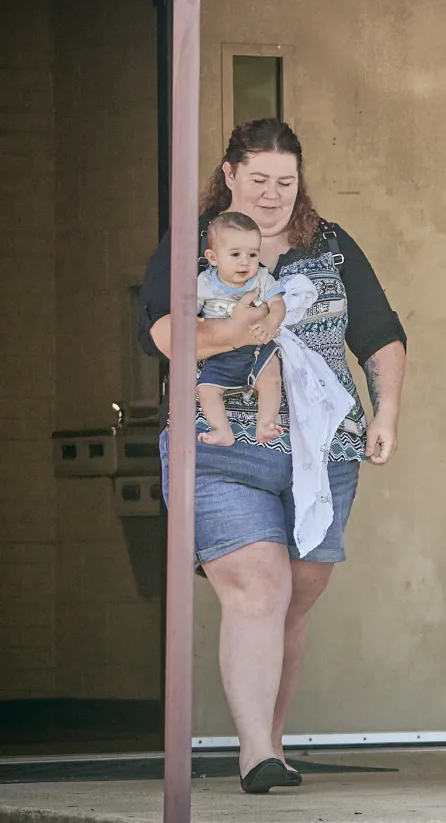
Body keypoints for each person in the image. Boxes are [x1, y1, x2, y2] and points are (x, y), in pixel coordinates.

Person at [139, 118, 407, 794]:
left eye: (285, 183)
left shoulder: (333, 247)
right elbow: (166, 333)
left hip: (323, 453)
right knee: (259, 586)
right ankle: (255, 752)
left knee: (296, 597)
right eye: (258, 180)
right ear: (228, 175)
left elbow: (379, 334)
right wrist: (237, 327)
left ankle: (273, 742)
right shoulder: (195, 246)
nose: (272, 194)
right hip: (223, 445)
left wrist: (388, 411)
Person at [195, 211, 287, 447]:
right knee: (205, 389)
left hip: (258, 347)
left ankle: (265, 425)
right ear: (213, 257)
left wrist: (270, 322)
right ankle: (221, 430)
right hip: (221, 352)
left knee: (272, 379)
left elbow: (278, 305)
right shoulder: (204, 283)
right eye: (235, 254)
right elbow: (188, 316)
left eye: (253, 254)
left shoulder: (261, 279)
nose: (245, 261)